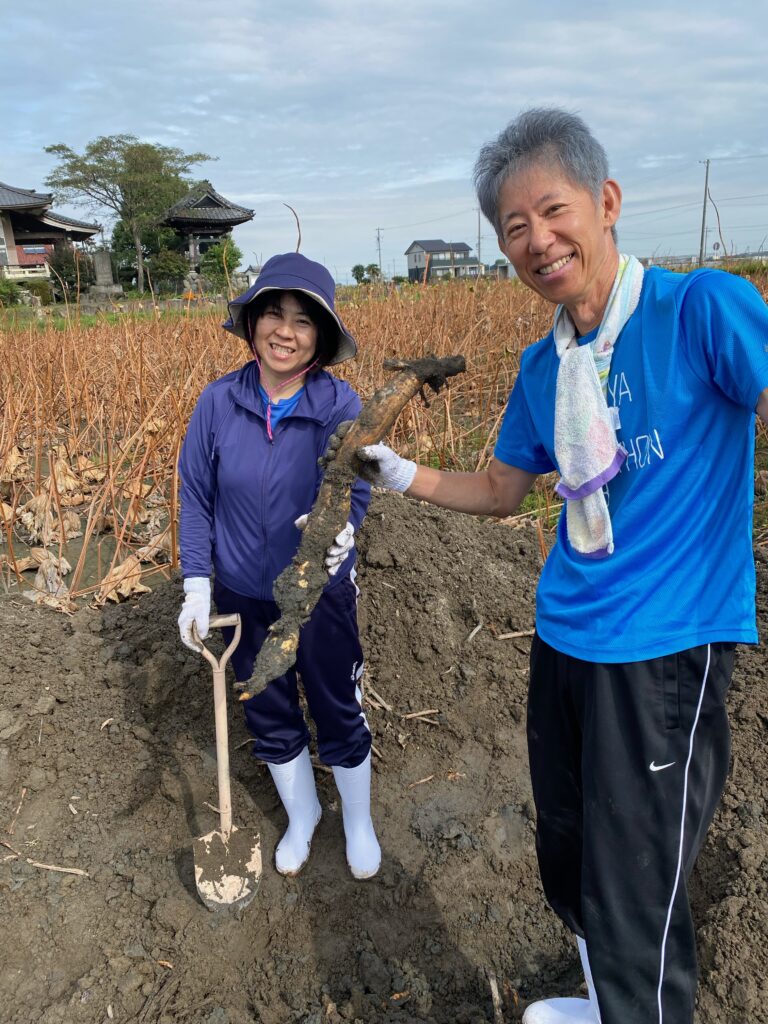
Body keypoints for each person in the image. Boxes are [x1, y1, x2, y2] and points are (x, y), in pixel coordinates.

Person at [358, 109, 768, 1023]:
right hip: (566, 637)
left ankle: (642, 1007)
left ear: (607, 202)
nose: (538, 241)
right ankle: (605, 996)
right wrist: (402, 475)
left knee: (637, 879)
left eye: (553, 211)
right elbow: (504, 489)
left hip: (664, 649)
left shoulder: (700, 309)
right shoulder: (546, 367)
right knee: (572, 852)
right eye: (514, 227)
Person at [177, 252, 381, 881]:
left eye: (302, 319)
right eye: (273, 312)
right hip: (243, 595)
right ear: (252, 321)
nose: (284, 331)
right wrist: (195, 582)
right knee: (266, 705)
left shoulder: (339, 404)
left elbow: (359, 484)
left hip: (317, 591)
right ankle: (304, 814)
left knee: (335, 701)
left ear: (320, 336)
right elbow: (195, 495)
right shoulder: (218, 404)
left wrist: (346, 530)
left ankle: (357, 819)